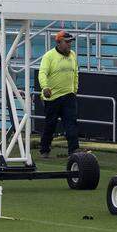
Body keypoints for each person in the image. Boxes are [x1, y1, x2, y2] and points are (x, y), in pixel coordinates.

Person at [38, 30, 80, 159]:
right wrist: (45, 87)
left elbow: (75, 73)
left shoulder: (73, 55)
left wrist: (75, 89)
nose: (69, 45)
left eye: (70, 42)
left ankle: (74, 151)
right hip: (53, 97)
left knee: (71, 124)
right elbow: (42, 73)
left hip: (69, 96)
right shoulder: (49, 56)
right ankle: (44, 150)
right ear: (58, 42)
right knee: (50, 125)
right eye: (66, 42)